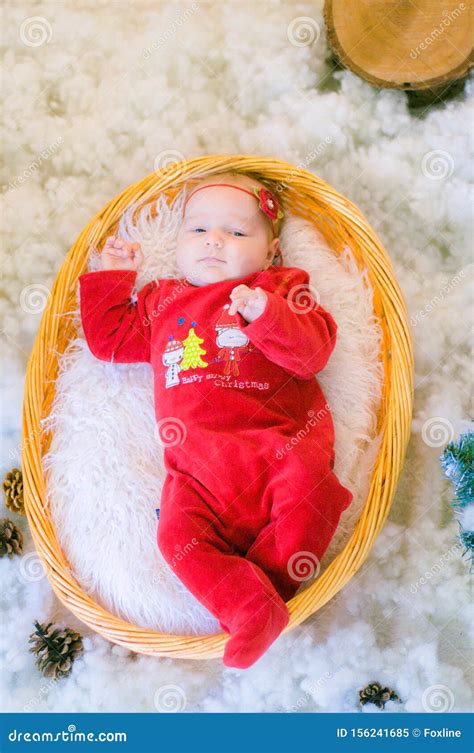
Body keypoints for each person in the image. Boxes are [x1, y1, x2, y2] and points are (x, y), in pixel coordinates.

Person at [78, 171, 353, 669]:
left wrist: (267, 314)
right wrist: (113, 275)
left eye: (237, 232)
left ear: (270, 253)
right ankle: (248, 604)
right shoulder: (163, 302)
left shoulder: (281, 287)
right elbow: (108, 340)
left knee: (310, 494)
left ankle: (266, 594)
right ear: (180, 242)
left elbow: (313, 352)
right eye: (198, 230)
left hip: (279, 449)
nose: (215, 241)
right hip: (197, 473)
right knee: (176, 538)